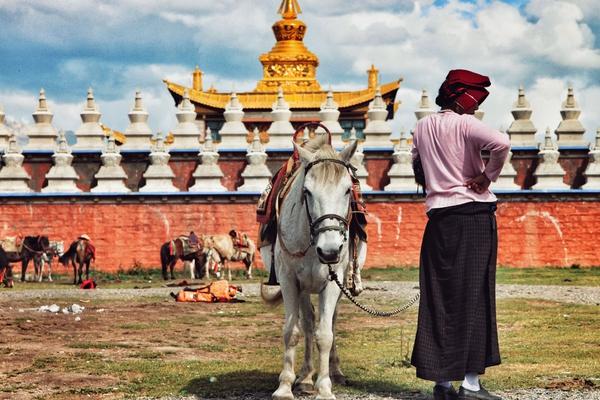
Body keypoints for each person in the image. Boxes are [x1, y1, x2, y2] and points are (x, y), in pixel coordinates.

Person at [410, 69, 510, 400]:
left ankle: (441, 384)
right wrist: (486, 175)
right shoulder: (465, 124)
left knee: (438, 298)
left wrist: (437, 184)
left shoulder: (422, 127)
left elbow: (417, 165)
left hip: (438, 220)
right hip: (472, 217)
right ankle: (469, 385)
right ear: (462, 97)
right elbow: (501, 142)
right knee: (474, 296)